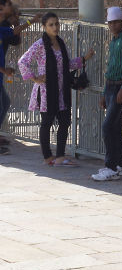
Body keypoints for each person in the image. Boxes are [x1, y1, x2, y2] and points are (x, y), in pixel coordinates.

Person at [18, 12, 95, 166]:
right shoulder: (40, 44)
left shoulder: (61, 42)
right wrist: (35, 78)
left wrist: (84, 59)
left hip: (61, 90)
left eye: (57, 24)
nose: (55, 27)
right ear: (44, 27)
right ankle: (47, 157)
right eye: (51, 24)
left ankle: (60, 156)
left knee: (65, 121)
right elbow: (22, 61)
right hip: (46, 91)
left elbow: (66, 65)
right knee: (47, 122)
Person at [92, 7, 122, 182]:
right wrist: (105, 93)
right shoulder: (114, 41)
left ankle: (111, 167)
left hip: (120, 86)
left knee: (107, 126)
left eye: (115, 22)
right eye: (110, 23)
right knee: (115, 127)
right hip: (111, 86)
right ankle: (121, 164)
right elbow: (111, 67)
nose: (112, 26)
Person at [0, 0, 34, 155]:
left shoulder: (4, 26)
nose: (12, 7)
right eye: (9, 5)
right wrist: (32, 21)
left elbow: (15, 38)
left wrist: (17, 23)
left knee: (5, 103)